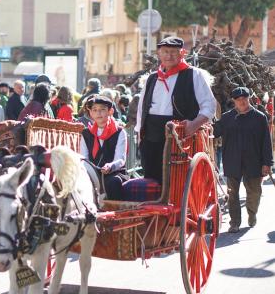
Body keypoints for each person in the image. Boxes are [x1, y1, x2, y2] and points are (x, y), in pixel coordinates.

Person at [136, 36, 216, 184]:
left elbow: (209, 106)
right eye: (165, 51)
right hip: (151, 133)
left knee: (177, 179)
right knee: (152, 176)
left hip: (181, 133)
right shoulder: (151, 78)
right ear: (159, 54)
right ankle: (154, 205)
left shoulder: (194, 75)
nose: (169, 55)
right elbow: (142, 109)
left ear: (182, 53)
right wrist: (140, 134)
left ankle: (177, 205)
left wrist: (194, 124)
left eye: (173, 51)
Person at [213, 87, 273, 233]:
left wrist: (267, 163)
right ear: (234, 101)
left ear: (248, 99)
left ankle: (252, 213)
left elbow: (266, 142)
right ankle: (234, 222)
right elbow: (214, 132)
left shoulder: (259, 117)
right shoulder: (227, 118)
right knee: (232, 194)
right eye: (239, 100)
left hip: (254, 161)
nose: (242, 102)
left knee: (254, 192)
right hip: (232, 161)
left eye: (244, 99)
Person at [80, 96, 127, 200]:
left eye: (102, 109)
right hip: (93, 173)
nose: (98, 113)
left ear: (110, 111)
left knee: (113, 182)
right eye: (95, 110)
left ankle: (116, 213)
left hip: (114, 173)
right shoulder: (86, 133)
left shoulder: (119, 132)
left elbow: (120, 159)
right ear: (91, 113)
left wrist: (110, 166)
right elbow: (84, 159)